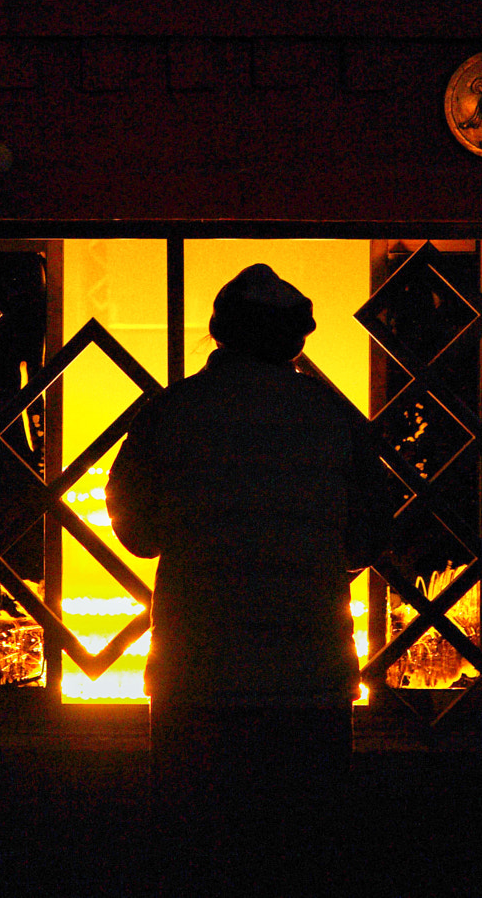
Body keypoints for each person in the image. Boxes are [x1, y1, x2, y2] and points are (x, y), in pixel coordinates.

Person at [107, 263, 391, 898]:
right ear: (299, 340)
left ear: (217, 332)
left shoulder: (169, 412)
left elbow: (137, 527)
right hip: (310, 676)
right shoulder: (335, 418)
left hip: (197, 677)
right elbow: (371, 532)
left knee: (199, 854)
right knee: (303, 854)